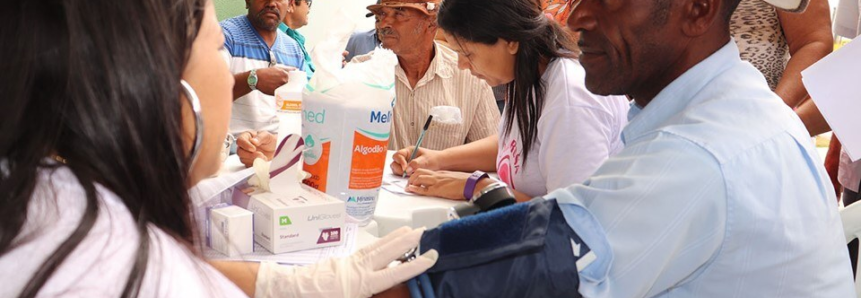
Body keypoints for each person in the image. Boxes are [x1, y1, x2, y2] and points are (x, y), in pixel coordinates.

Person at [381, 0, 856, 296]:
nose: (580, 15)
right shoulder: (735, 104)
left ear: (698, 9)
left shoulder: (698, 153)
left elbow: (530, 263)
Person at [0, 0, 436, 297]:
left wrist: (280, 284)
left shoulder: (42, 193)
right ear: (161, 80)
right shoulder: (135, 271)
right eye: (216, 47)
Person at [389, 0, 629, 202]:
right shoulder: (526, 75)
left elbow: (569, 217)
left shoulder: (570, 100)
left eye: (467, 53)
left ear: (510, 41)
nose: (462, 65)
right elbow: (515, 145)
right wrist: (438, 159)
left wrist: (477, 187)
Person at [358, 0, 500, 151]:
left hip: (441, 175)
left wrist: (439, 163)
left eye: (399, 14)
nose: (383, 24)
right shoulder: (359, 72)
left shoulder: (469, 75)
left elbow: (493, 152)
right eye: (381, 15)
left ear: (432, 22)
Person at [221, 0, 307, 167]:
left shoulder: (294, 50)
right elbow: (208, 93)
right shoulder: (225, 35)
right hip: (231, 157)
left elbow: (302, 115)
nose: (271, 3)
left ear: (289, 4)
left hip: (277, 155)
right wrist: (253, 80)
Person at [278, 0, 315, 77]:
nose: (309, 9)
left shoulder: (295, 37)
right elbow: (308, 82)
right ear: (291, 5)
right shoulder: (275, 40)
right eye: (307, 3)